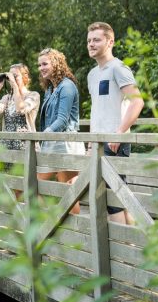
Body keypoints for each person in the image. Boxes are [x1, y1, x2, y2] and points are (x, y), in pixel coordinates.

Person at [86, 22, 145, 225]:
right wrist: (91, 141)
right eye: (89, 40)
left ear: (110, 41)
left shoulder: (119, 68)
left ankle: (123, 250)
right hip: (98, 141)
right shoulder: (92, 74)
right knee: (113, 199)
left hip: (115, 141)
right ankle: (131, 245)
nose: (91, 44)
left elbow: (137, 101)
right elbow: (99, 109)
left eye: (96, 40)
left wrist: (119, 133)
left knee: (114, 200)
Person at [36, 48, 84, 214]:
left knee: (68, 192)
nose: (41, 68)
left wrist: (42, 135)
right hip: (51, 142)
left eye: (45, 64)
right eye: (39, 65)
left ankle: (74, 232)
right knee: (35, 186)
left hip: (66, 143)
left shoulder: (67, 87)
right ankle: (50, 226)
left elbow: (62, 120)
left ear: (55, 64)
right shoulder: (50, 89)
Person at [0, 64, 40, 186]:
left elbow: (20, 109)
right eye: (10, 76)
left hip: (25, 148)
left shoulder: (33, 95)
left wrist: (16, 88)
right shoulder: (7, 98)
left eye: (15, 76)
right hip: (7, 148)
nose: (11, 79)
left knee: (27, 188)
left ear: (25, 77)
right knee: (11, 188)